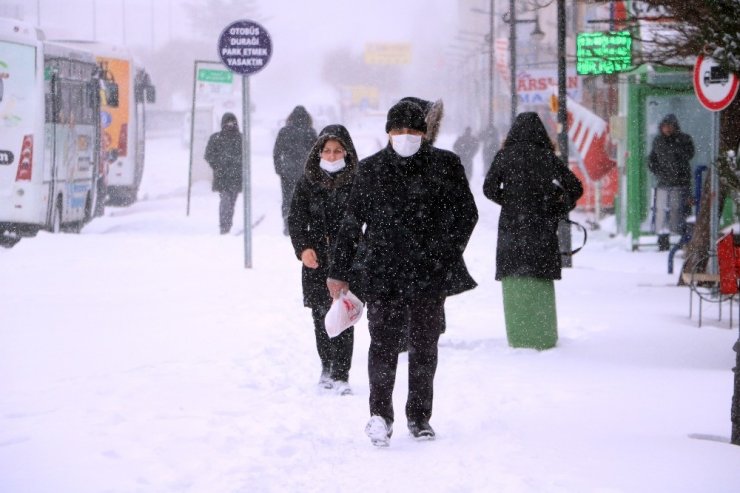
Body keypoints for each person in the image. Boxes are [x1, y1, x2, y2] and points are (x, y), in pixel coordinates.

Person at [326, 100, 478, 447]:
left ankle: (419, 416)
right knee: (382, 344)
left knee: (425, 344)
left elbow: (466, 214)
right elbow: (351, 224)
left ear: (424, 133)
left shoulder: (445, 165)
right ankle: (380, 416)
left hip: (429, 274)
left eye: (413, 131)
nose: (405, 136)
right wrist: (339, 271)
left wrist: (445, 253)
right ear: (388, 133)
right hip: (383, 273)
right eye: (398, 131)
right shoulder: (370, 170)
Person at [483, 112, 583, 349]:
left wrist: (511, 200)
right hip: (541, 228)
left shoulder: (504, 156)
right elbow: (575, 187)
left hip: (512, 228)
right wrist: (556, 205)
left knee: (515, 274)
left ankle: (519, 334)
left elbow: (488, 188)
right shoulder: (546, 157)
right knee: (540, 275)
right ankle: (542, 334)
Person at [288, 125, 360, 396]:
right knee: (320, 315)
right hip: (316, 261)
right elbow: (296, 217)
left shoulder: (357, 181)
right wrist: (303, 248)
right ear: (318, 152)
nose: (331, 156)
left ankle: (342, 373)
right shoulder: (308, 181)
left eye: (337, 151)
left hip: (348, 260)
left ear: (347, 152)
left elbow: (367, 220)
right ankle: (326, 366)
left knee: (344, 314)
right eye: (327, 151)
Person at [648, 113, 695, 251]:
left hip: (680, 183)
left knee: (678, 210)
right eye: (665, 126)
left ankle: (682, 239)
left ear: (675, 127)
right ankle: (663, 240)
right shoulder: (658, 141)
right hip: (663, 183)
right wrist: (659, 172)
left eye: (670, 126)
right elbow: (652, 160)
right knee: (661, 212)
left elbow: (689, 154)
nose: (667, 129)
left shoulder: (684, 139)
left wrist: (677, 166)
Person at [273, 106, 317, 235]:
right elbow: (317, 153)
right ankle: (302, 224)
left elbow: (276, 152)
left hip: (287, 171)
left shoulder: (284, 131)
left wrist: (279, 168)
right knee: (304, 198)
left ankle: (288, 224)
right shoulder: (310, 132)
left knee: (287, 198)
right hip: (305, 172)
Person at [204, 112, 242, 234]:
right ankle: (224, 226)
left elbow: (245, 157)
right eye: (228, 122)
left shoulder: (240, 138)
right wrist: (217, 165)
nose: (230, 125)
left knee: (231, 202)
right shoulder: (216, 138)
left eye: (232, 123)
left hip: (235, 176)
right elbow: (208, 155)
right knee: (225, 200)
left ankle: (227, 224)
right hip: (223, 177)